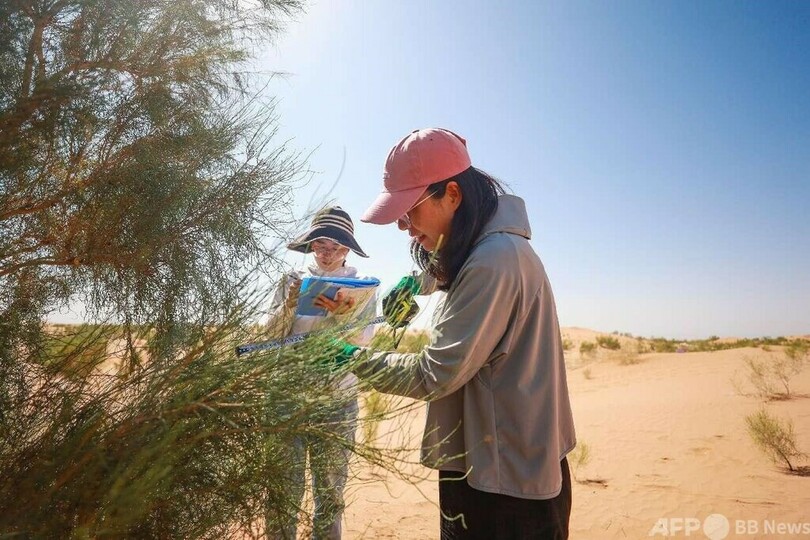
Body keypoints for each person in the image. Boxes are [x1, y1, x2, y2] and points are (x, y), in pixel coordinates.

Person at [340, 128, 577, 539]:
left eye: (409, 210)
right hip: (494, 465)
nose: (404, 227)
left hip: (505, 488)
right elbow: (454, 266)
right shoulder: (489, 251)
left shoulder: (494, 262)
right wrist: (417, 284)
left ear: (452, 195)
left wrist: (349, 358)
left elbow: (434, 375)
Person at [265, 206, 377, 540]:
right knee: (283, 491)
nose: (328, 254)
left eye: (336, 248)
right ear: (311, 246)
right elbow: (270, 336)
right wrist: (287, 305)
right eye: (321, 246)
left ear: (347, 250)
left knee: (330, 495)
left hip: (338, 401)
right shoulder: (290, 283)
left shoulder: (362, 288)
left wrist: (342, 315)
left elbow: (361, 342)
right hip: (287, 397)